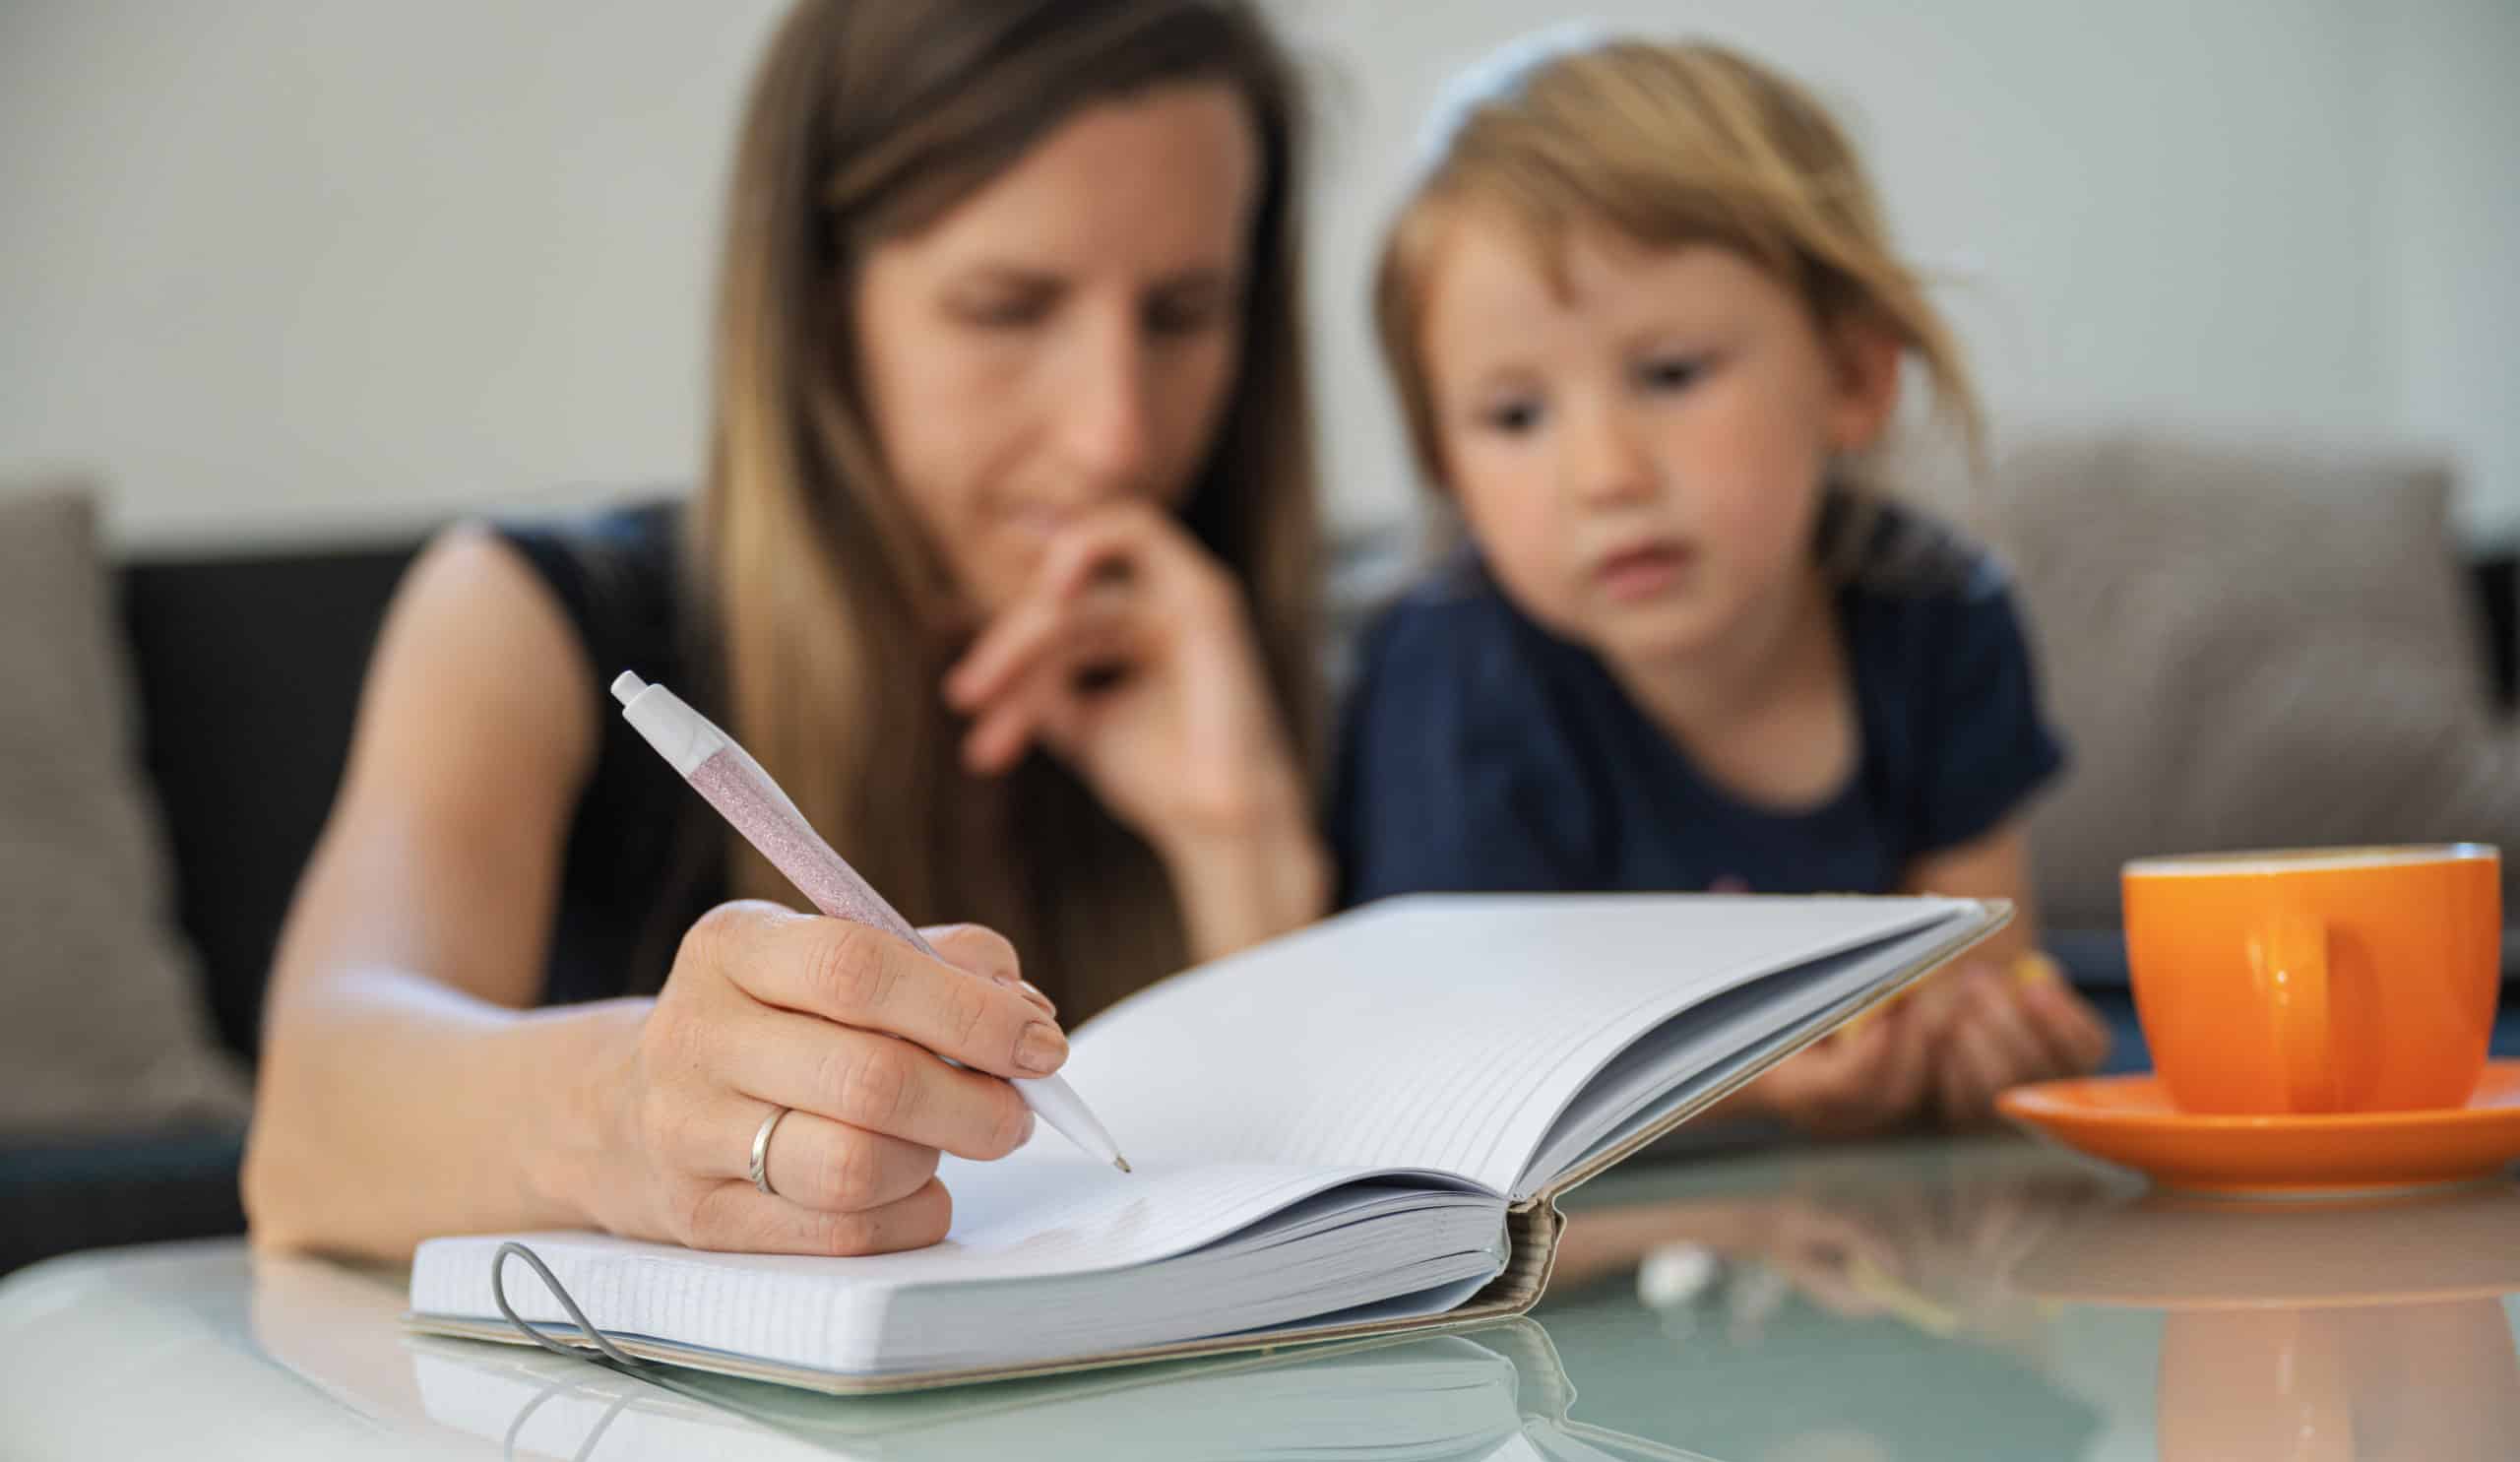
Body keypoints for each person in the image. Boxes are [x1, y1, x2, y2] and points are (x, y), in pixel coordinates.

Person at [245, 0, 1331, 1262]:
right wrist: (629, 1105)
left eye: (1184, 315)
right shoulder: (533, 615)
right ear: (819, 308)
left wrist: (1240, 843)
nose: (1115, 436)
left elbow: (1331, 1231)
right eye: (1005, 308)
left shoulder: (1299, 655)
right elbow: (306, 1138)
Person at [1334, 33, 2108, 1135]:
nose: (1606, 475)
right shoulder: (1454, 673)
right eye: (1515, 416)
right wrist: (1748, 1091)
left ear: (1849, 377)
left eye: (1670, 374)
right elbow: (1457, 1068)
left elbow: (1981, 962)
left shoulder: (1941, 614)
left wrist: (1987, 1037)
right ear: (1443, 467)